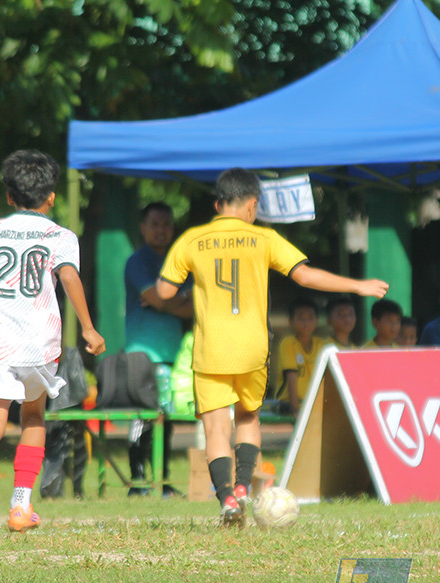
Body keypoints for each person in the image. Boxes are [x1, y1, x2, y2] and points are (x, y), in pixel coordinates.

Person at [155, 167, 388, 526]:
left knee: (217, 428)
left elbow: (164, 292)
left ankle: (226, 500)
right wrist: (358, 286)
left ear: (218, 204)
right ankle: (245, 486)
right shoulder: (263, 238)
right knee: (248, 418)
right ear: (252, 204)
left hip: (211, 348)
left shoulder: (192, 240)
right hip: (251, 348)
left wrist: (195, 289)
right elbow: (305, 275)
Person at [0, 149, 106, 542]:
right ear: (51, 197)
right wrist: (89, 328)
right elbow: (68, 277)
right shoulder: (59, 236)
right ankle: (21, 505)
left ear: (9, 196)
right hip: (38, 343)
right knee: (34, 418)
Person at [124, 202, 194, 498]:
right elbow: (163, 299)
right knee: (143, 417)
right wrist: (175, 301)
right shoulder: (137, 262)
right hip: (142, 352)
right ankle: (138, 482)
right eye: (155, 224)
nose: (161, 230)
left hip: (173, 353)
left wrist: (166, 302)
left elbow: (192, 306)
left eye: (166, 224)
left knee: (168, 419)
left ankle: (162, 482)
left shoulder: (180, 262)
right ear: (143, 228)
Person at [276, 297, 326, 417]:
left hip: (314, 403)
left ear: (317, 320)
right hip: (289, 404)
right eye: (301, 318)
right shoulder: (288, 343)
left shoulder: (321, 344)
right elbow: (291, 377)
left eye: (310, 318)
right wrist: (295, 410)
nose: (306, 322)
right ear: (291, 321)